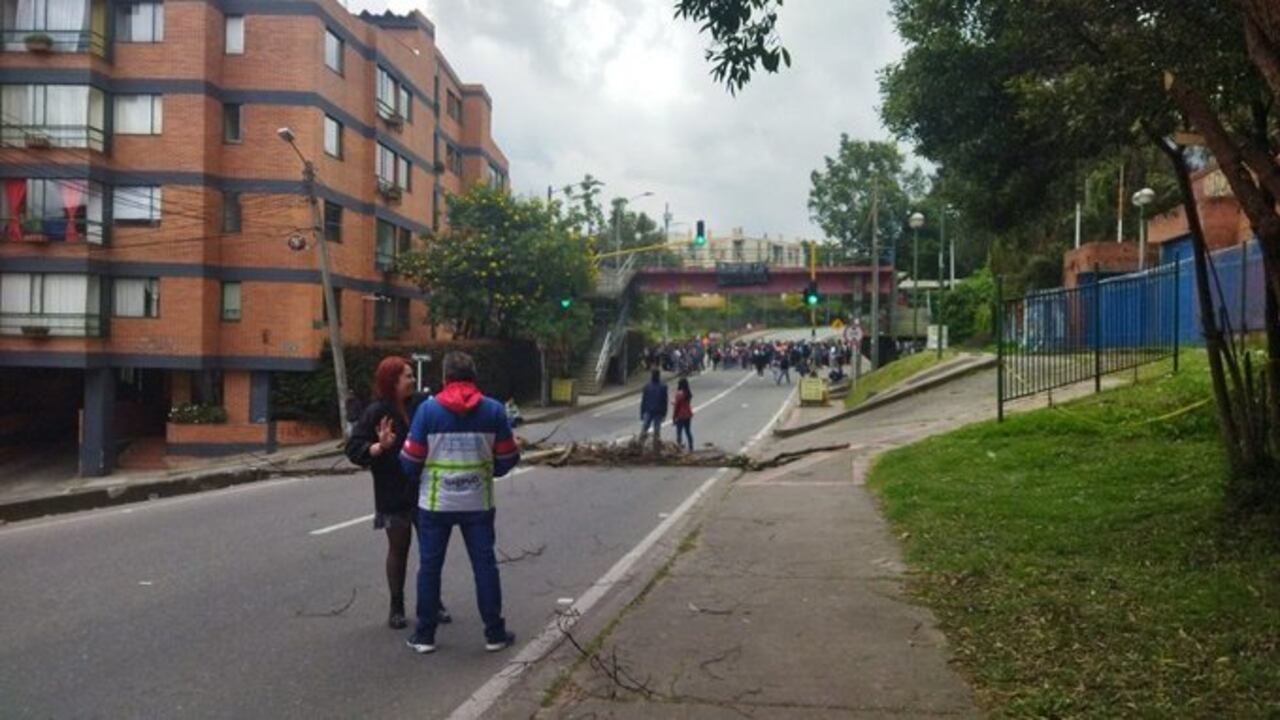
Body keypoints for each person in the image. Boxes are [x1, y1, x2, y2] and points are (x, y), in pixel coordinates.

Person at [400, 352, 520, 654]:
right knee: (484, 566)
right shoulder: (493, 411)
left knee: (429, 568)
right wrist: (490, 469)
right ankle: (494, 633)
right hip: (478, 503)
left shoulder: (427, 412)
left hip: (435, 504)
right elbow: (507, 457)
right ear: (473, 377)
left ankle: (425, 636)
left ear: (445, 378)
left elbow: (411, 461)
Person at [344, 357, 451, 630]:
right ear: (392, 381)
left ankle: (432, 601)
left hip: (424, 487)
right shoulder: (376, 412)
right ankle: (396, 606)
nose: (412, 380)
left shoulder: (422, 406)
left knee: (430, 549)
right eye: (406, 376)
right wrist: (379, 447)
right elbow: (354, 448)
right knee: (399, 548)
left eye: (411, 376)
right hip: (392, 489)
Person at [638, 369, 668, 452]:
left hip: (650, 411)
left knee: (646, 429)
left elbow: (644, 401)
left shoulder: (648, 386)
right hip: (656, 411)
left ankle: (641, 446)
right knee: (655, 431)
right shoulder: (662, 387)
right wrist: (664, 413)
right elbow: (664, 402)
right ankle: (654, 448)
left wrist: (642, 412)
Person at [672, 378, 694, 451]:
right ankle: (691, 447)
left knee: (679, 432)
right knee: (688, 431)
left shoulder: (679, 394)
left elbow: (676, 407)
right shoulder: (688, 393)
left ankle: (679, 448)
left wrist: (674, 418)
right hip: (688, 415)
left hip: (680, 416)